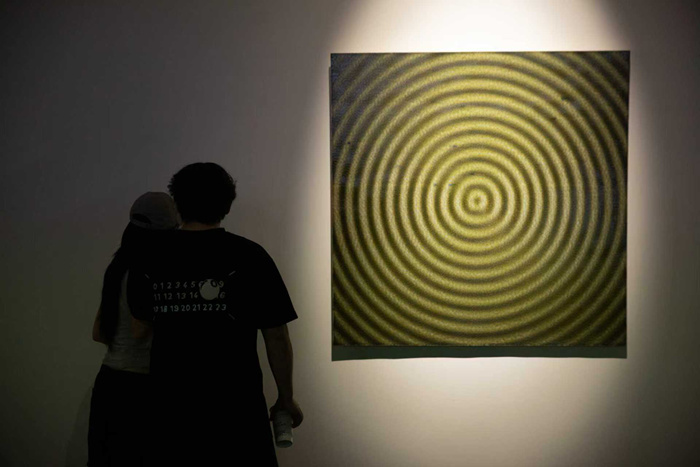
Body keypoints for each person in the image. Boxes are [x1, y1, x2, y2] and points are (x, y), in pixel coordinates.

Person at [127, 162, 303, 466]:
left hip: (169, 409)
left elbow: (139, 329)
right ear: (228, 204)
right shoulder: (251, 256)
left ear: (177, 204)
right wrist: (285, 398)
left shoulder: (149, 259)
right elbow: (276, 335)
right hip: (237, 409)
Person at [88, 192, 180, 467]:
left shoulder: (117, 267)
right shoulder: (150, 271)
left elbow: (98, 333)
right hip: (142, 386)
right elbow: (140, 330)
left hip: (109, 381)